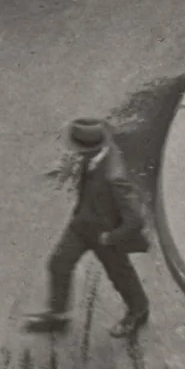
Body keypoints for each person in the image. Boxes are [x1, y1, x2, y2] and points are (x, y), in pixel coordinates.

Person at [25, 118, 150, 339]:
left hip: (105, 234)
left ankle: (138, 312)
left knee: (121, 277)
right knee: (59, 264)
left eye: (78, 149)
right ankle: (58, 316)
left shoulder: (115, 176)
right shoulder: (94, 156)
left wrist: (111, 237)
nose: (75, 151)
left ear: (90, 149)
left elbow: (135, 219)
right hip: (82, 224)